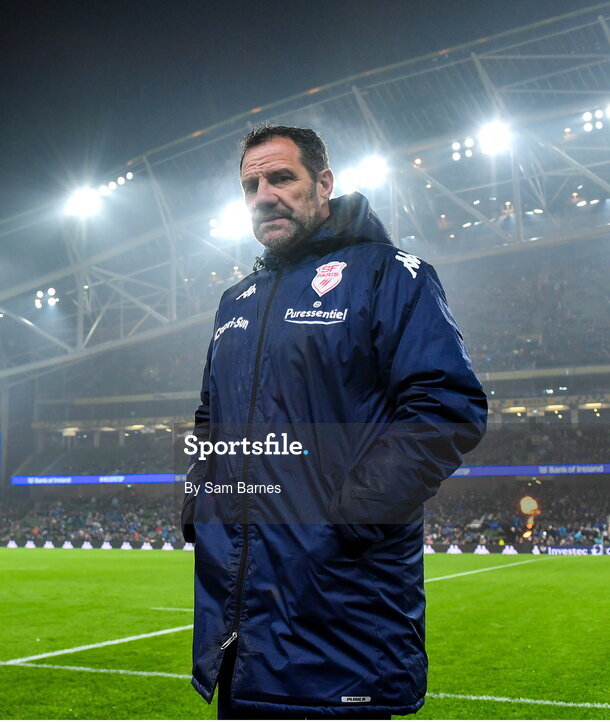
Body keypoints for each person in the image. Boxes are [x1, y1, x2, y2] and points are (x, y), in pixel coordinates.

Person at [181, 125, 487, 718]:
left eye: (281, 177)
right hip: (238, 642)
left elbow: (447, 405)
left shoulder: (390, 275)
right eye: (250, 184)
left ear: (323, 184)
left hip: (343, 628)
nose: (264, 193)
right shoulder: (235, 300)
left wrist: (349, 516)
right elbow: (210, 414)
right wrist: (203, 498)